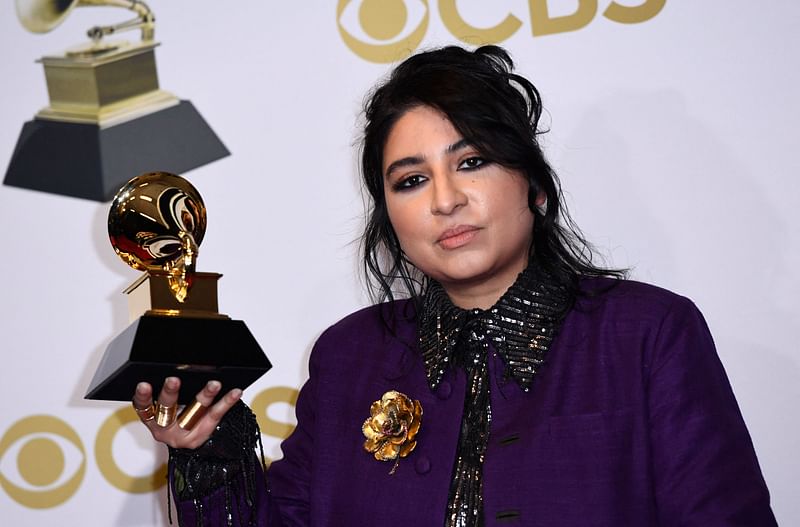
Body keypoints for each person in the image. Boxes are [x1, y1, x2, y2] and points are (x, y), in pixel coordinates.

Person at [132, 45, 777, 526]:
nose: (446, 200)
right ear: (390, 217)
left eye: (471, 162)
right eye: (410, 180)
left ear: (536, 186)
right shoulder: (351, 356)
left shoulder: (646, 333)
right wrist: (209, 450)